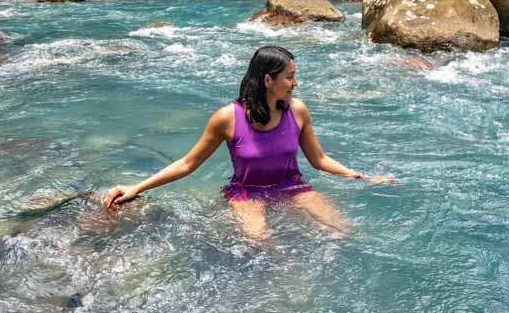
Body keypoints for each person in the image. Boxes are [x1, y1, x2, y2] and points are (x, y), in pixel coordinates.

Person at [103, 45, 394, 239]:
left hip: (292, 188)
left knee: (342, 232)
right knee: (261, 244)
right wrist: (136, 187)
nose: (295, 83)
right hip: (247, 194)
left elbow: (319, 160)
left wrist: (364, 177)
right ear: (268, 80)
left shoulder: (298, 110)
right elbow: (188, 163)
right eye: (290, 77)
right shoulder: (228, 118)